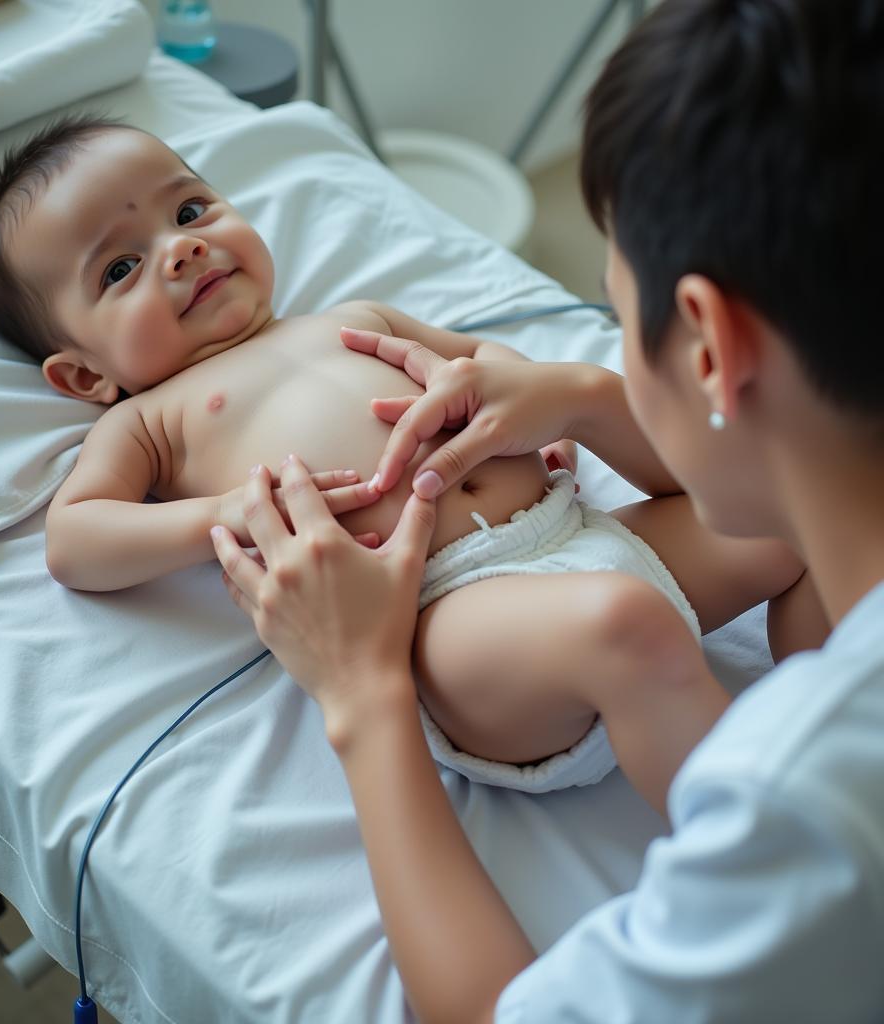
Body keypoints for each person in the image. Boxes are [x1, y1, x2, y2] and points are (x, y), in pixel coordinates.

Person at [210, 0, 884, 1021]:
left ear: (707, 345)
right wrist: (587, 396)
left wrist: (361, 697)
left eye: (616, 316)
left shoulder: (802, 795)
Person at [0, 114, 810, 811]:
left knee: (802, 516)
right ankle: (767, 862)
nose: (179, 250)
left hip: (576, 531)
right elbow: (75, 540)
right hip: (451, 624)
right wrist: (219, 517)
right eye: (120, 267)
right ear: (83, 375)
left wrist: (516, 397)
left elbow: (478, 354)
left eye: (188, 213)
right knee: (626, 625)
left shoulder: (354, 314)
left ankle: (843, 709)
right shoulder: (151, 419)